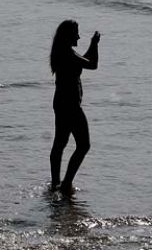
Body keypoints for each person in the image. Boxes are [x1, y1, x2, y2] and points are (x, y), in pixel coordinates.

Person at [49, 19, 100, 194]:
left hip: (61, 103)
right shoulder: (68, 54)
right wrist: (94, 44)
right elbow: (92, 64)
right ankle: (65, 184)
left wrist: (92, 46)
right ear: (68, 36)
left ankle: (56, 183)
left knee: (60, 143)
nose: (78, 36)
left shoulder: (64, 53)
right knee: (83, 145)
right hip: (70, 105)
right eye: (76, 33)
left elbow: (84, 61)